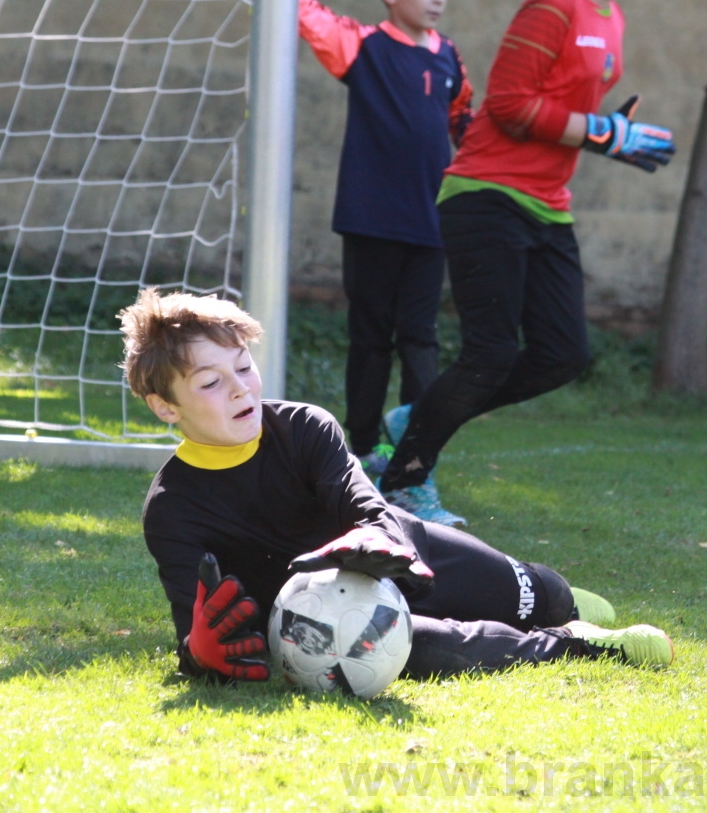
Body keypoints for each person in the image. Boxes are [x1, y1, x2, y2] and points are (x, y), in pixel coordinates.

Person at [119, 288, 673, 682]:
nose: (241, 389)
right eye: (212, 382)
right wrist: (201, 657)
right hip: (323, 617)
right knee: (428, 646)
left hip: (405, 553)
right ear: (166, 406)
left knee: (543, 596)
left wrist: (379, 539)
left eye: (244, 367)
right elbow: (195, 629)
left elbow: (368, 506)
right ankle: (577, 645)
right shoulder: (172, 511)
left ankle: (561, 605)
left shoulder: (304, 427)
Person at [377, 0, 675, 524]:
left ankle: (419, 417)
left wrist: (608, 134)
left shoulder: (611, 17)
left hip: (547, 203)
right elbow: (511, 106)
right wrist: (598, 131)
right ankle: (403, 481)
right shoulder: (551, 4)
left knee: (563, 354)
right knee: (489, 353)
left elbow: (562, 109)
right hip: (486, 194)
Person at [298, 0, 473, 496]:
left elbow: (467, 126)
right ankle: (365, 446)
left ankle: (417, 452)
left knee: (421, 338)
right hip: (370, 220)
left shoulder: (450, 61)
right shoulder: (361, 44)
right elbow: (302, 7)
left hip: (430, 222)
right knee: (371, 337)